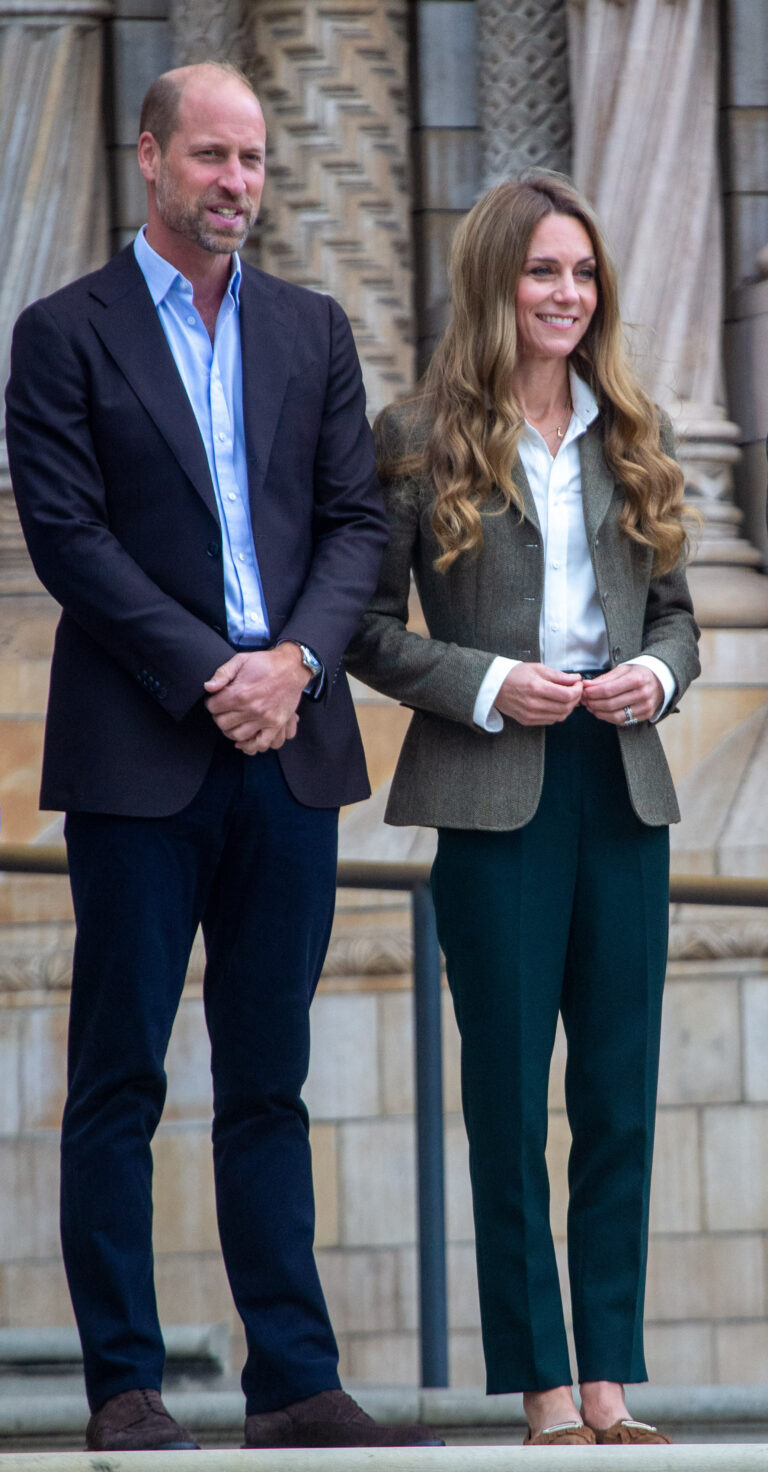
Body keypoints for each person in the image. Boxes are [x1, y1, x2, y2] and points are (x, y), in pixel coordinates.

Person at [5, 61, 441, 1453]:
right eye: (211, 156)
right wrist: (214, 671)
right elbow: (69, 539)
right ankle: (124, 1384)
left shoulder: (312, 331)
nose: (237, 183)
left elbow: (356, 526)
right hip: (144, 750)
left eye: (252, 160)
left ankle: (293, 1384)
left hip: (290, 749)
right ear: (150, 158)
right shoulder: (61, 333)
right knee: (119, 1075)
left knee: (270, 1075)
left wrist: (296, 665)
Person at [346, 173, 700, 1448]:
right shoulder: (416, 437)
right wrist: (493, 682)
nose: (568, 295)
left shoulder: (632, 432)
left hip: (624, 790)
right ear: (497, 284)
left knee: (617, 1092)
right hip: (492, 799)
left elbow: (677, 617)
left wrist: (652, 676)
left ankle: (609, 1375)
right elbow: (367, 630)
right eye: (545, 272)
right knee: (506, 1097)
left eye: (585, 274)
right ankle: (542, 1382)